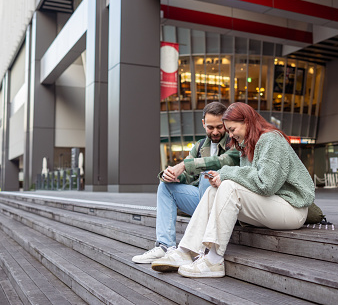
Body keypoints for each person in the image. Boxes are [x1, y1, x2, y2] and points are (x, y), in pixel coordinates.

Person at [151, 102, 315, 277]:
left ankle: (213, 260)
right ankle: (185, 251)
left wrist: (227, 174)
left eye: (232, 129)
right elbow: (251, 181)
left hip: (292, 209)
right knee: (214, 190)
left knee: (228, 185)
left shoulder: (271, 139)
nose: (229, 135)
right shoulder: (246, 145)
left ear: (247, 122)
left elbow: (266, 184)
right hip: (272, 205)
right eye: (228, 131)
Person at [132, 102, 240, 263]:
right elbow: (188, 176)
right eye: (211, 127)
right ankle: (165, 247)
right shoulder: (200, 146)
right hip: (202, 201)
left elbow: (224, 161)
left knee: (206, 177)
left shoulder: (234, 141)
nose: (216, 132)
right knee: (165, 187)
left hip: (226, 206)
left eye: (220, 127)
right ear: (203, 123)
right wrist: (172, 175)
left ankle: (201, 248)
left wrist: (183, 165)